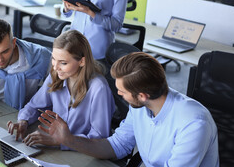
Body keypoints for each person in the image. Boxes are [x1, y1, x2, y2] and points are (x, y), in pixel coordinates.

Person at [38, 52, 219, 166]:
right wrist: (68, 140)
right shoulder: (141, 105)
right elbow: (117, 145)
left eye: (122, 91)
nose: (118, 94)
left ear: (142, 95)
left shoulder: (194, 123)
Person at [7, 30, 115, 150]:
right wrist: (23, 121)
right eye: (53, 59)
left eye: (63, 63)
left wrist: (60, 141)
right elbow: (34, 105)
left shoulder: (99, 88)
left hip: (84, 152)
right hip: (56, 146)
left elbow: (99, 138)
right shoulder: (56, 74)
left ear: (82, 61)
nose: (55, 67)